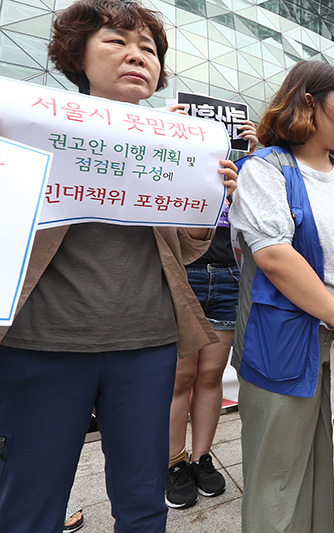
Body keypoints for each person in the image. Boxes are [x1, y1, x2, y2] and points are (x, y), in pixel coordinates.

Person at [0, 1, 238, 530]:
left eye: (149, 49)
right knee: (30, 501)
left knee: (142, 499)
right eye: (117, 42)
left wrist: (206, 196)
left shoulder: (174, 148)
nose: (137, 56)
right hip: (45, 343)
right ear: (76, 56)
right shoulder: (27, 128)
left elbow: (189, 249)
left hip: (147, 343)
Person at [228, 60, 334, 533]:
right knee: (276, 475)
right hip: (287, 342)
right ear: (310, 103)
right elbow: (275, 257)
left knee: (333, 470)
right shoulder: (265, 170)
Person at [165, 121, 258, 508]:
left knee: (210, 374)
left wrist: (252, 159)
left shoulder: (245, 168)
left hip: (228, 277)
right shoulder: (176, 164)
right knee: (179, 378)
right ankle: (173, 462)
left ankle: (202, 458)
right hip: (183, 274)